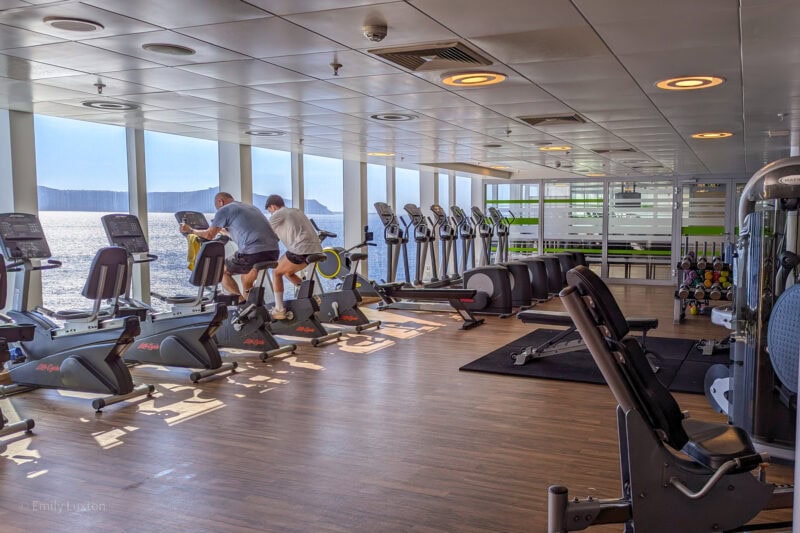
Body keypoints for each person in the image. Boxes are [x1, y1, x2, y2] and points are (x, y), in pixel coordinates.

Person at [179, 192, 279, 303]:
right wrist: (223, 231)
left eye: (217, 208)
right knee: (245, 279)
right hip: (273, 251)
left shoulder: (224, 209)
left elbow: (209, 235)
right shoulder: (249, 207)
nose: (218, 210)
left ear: (220, 202)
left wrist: (190, 230)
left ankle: (240, 302)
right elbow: (242, 232)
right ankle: (251, 309)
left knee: (220, 271)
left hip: (253, 253)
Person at [264, 194, 323, 320]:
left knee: (276, 272)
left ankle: (279, 309)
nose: (270, 214)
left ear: (273, 206)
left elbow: (264, 231)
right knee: (287, 272)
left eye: (269, 211)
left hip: (301, 250)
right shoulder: (296, 211)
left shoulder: (278, 214)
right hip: (316, 250)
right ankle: (311, 295)